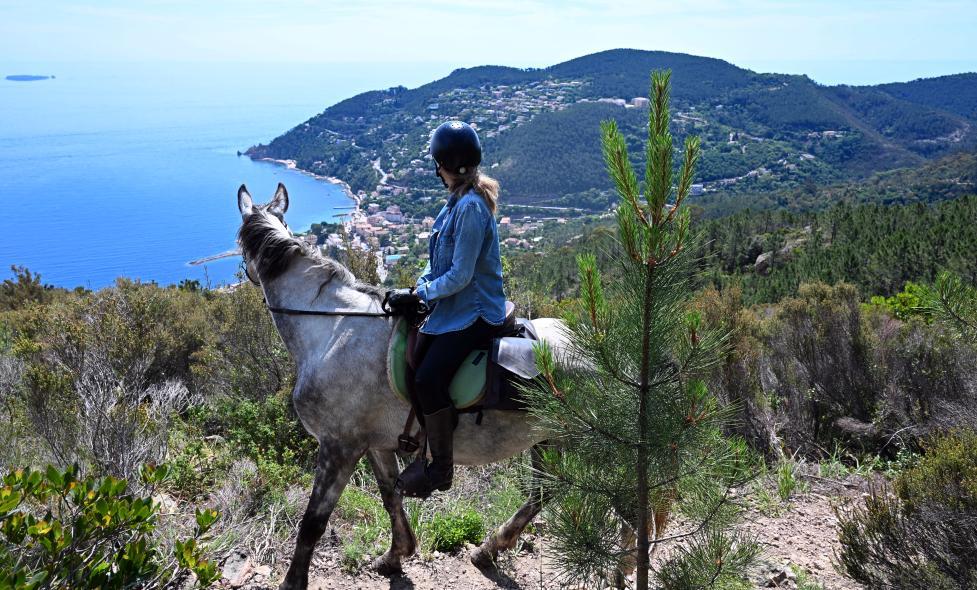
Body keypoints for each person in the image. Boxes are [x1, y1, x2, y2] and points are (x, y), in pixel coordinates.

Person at [386, 121, 506, 498]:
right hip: (453, 304)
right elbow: (437, 264)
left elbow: (461, 275)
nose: (436, 171)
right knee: (415, 355)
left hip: (474, 311)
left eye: (437, 164)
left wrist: (424, 297)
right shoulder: (455, 202)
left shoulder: (470, 207)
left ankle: (440, 469)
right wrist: (416, 290)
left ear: (445, 165)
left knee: (427, 379)